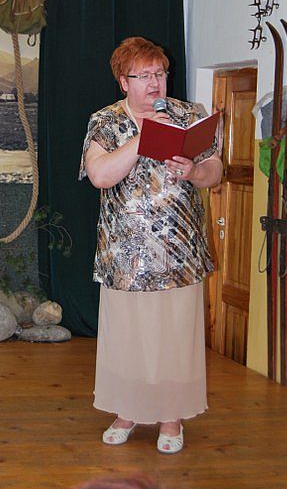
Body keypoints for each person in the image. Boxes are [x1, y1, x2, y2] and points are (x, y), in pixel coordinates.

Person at [79, 37, 223, 454]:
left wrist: (194, 170)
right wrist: (141, 138)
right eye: (143, 76)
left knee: (175, 336)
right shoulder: (105, 122)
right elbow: (100, 175)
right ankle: (127, 411)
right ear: (124, 82)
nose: (155, 83)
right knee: (128, 337)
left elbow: (216, 171)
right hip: (124, 253)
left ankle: (171, 417)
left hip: (180, 251)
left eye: (159, 73)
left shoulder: (188, 115)